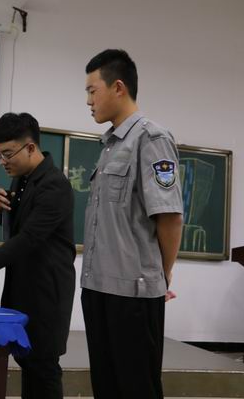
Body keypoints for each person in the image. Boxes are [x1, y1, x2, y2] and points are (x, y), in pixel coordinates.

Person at [81, 49, 183, 399]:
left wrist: (161, 274)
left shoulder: (152, 139)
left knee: (137, 389)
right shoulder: (110, 146)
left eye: (92, 91)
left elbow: (169, 217)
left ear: (118, 87)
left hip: (134, 295)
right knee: (106, 388)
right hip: (98, 288)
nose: (88, 101)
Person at [0, 113, 76, 399]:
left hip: (46, 294)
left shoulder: (54, 185)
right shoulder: (22, 179)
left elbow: (31, 237)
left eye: (7, 154)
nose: (3, 161)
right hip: (22, 288)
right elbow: (22, 228)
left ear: (30, 148)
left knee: (43, 368)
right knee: (29, 364)